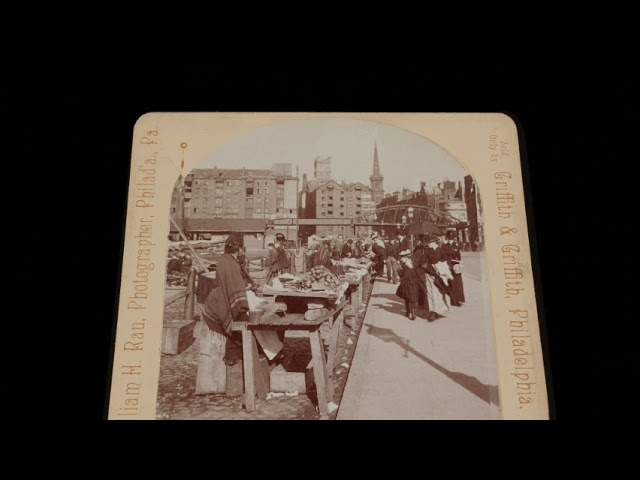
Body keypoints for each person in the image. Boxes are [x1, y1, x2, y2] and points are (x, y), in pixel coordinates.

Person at [198, 233, 251, 395]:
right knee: (240, 330)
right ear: (239, 248)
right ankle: (238, 373)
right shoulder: (231, 264)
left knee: (240, 328)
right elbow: (234, 289)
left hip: (217, 302)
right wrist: (244, 296)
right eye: (242, 247)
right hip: (219, 308)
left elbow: (231, 284)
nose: (243, 251)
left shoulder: (225, 260)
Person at [422, 235, 451, 321]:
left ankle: (437, 311)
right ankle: (432, 312)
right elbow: (423, 261)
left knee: (438, 293)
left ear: (434, 242)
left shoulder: (441, 250)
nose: (429, 244)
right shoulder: (427, 251)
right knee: (430, 293)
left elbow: (446, 261)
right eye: (428, 243)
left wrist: (440, 267)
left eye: (430, 243)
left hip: (439, 275)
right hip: (429, 273)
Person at [441, 230, 464, 306]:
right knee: (451, 283)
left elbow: (459, 256)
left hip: (456, 266)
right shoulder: (444, 246)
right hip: (448, 266)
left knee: (458, 283)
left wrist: (459, 262)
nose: (451, 240)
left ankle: (459, 300)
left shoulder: (456, 246)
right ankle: (452, 300)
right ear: (447, 238)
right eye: (449, 238)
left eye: (452, 238)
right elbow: (442, 256)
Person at [396, 249, 420, 320]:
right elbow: (401, 274)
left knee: (412, 298)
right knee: (407, 297)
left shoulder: (413, 263)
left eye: (403, 257)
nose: (401, 259)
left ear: (407, 257)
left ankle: (413, 313)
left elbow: (417, 271)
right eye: (401, 258)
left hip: (413, 283)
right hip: (406, 283)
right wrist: (399, 271)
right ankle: (408, 311)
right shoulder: (402, 265)